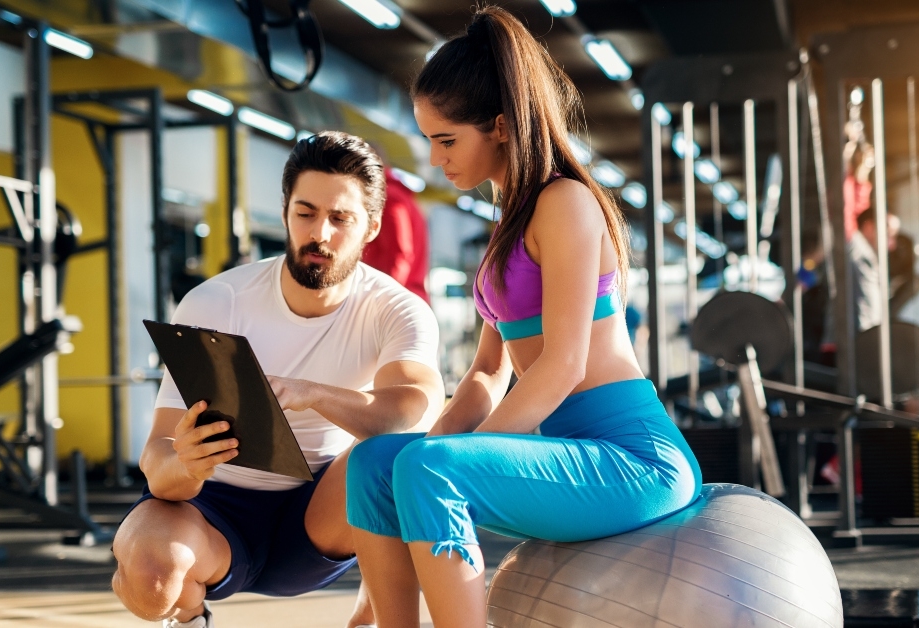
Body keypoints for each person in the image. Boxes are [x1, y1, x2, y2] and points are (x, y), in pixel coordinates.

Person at [343, 8, 702, 628]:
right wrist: (433, 453)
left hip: (632, 459)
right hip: (566, 450)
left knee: (430, 470)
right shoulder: (507, 225)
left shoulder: (565, 202)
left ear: (502, 127)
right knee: (375, 464)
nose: (434, 158)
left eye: (446, 140)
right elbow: (487, 374)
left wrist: (455, 462)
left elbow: (564, 366)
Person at [111, 131, 445, 628]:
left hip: (319, 519)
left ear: (371, 227)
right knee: (149, 579)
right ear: (285, 211)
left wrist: (312, 393)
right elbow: (156, 462)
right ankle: (189, 614)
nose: (320, 234)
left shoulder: (396, 309)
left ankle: (377, 613)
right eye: (305, 213)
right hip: (210, 508)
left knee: (397, 454)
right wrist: (186, 463)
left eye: (340, 219)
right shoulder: (216, 302)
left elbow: (415, 406)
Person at [362, 165, 430, 303]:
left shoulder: (388, 197)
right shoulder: (401, 195)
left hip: (395, 302)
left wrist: (383, 301)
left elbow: (398, 254)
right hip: (406, 296)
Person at [849, 208, 900, 332]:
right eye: (889, 235)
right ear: (869, 228)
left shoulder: (863, 254)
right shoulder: (861, 255)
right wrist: (869, 337)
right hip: (856, 336)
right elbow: (865, 308)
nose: (892, 245)